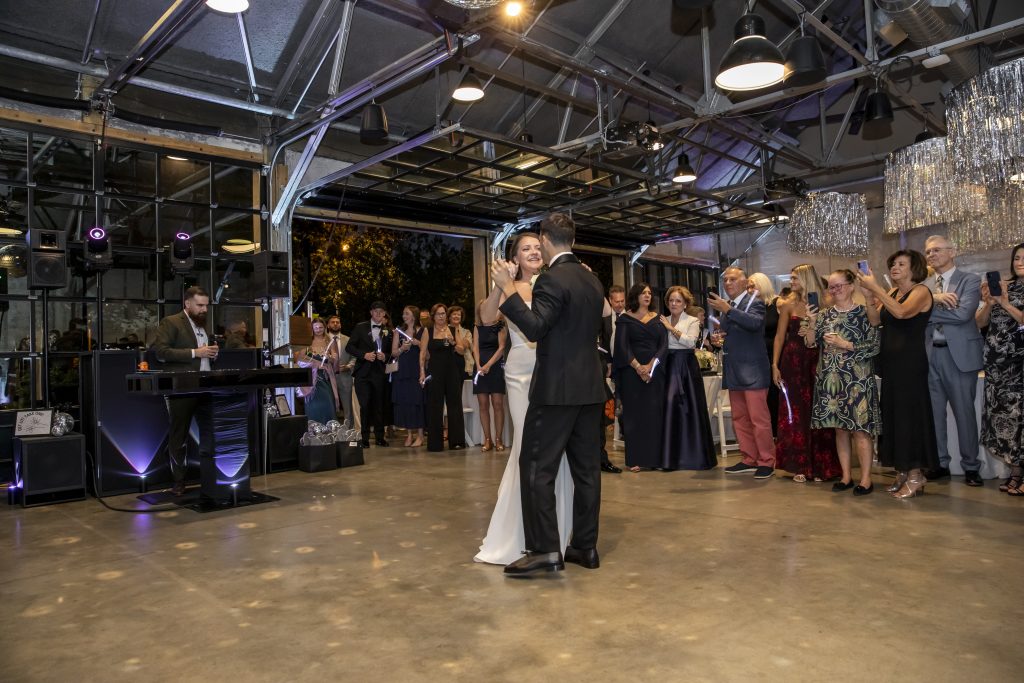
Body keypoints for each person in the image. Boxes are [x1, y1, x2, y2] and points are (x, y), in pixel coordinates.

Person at [490, 213, 606, 577]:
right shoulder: (591, 278)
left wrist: (508, 290)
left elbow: (536, 328)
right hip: (591, 388)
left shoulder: (551, 280)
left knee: (537, 467)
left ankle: (544, 551)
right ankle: (584, 547)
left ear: (544, 239)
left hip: (555, 389)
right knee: (587, 471)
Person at [475, 232, 573, 565]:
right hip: (519, 374)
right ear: (514, 257)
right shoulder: (509, 287)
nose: (532, 252)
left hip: (553, 371)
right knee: (526, 447)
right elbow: (487, 318)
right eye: (524, 249)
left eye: (536, 247)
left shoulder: (553, 284)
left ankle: (557, 524)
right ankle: (519, 530)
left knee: (556, 448)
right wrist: (500, 284)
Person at [859, 250, 938, 498]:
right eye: (893, 263)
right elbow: (874, 321)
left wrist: (877, 288)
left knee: (910, 418)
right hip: (891, 366)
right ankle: (902, 471)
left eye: (901, 264)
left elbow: (902, 312)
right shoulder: (892, 293)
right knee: (894, 418)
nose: (895, 267)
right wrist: (870, 297)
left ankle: (917, 474)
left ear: (914, 268)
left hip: (910, 364)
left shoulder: (921, 291)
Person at [803, 269, 880, 495]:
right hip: (831, 377)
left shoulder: (865, 313)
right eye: (831, 287)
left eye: (838, 286)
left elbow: (874, 345)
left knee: (860, 431)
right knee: (840, 429)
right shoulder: (825, 314)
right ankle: (846, 476)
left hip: (858, 378)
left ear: (851, 286)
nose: (834, 291)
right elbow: (809, 343)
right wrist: (813, 320)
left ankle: (866, 479)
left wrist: (845, 344)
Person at [923, 235, 985, 485]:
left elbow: (963, 314)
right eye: (928, 252)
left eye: (936, 250)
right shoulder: (925, 285)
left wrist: (927, 309)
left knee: (964, 413)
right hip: (930, 354)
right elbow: (915, 316)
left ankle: (971, 467)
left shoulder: (969, 280)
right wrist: (933, 302)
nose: (931, 255)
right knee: (934, 415)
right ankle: (940, 463)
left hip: (959, 355)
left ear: (952, 252)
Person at [771, 264, 840, 483]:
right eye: (790, 278)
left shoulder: (826, 301)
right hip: (792, 361)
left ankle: (822, 465)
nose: (791, 282)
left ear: (806, 278)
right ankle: (799, 464)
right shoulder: (788, 304)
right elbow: (779, 337)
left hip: (818, 359)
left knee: (820, 411)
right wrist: (774, 364)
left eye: (795, 278)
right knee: (796, 413)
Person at [152, 286, 219, 496]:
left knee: (211, 432)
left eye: (206, 305)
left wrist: (211, 355)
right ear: (187, 304)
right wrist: (195, 352)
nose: (204, 309)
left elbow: (202, 355)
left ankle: (211, 475)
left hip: (206, 385)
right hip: (183, 387)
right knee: (179, 434)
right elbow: (161, 353)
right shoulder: (171, 322)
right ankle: (178, 480)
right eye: (200, 305)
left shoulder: (202, 326)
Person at [710, 268, 776, 480]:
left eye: (732, 279)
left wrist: (727, 310)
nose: (728, 283)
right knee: (740, 418)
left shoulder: (754, 300)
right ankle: (749, 458)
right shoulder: (728, 307)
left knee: (759, 419)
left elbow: (754, 324)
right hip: (734, 369)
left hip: (753, 370)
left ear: (745, 281)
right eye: (725, 279)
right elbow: (732, 332)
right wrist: (719, 339)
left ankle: (767, 460)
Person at [976, 244, 1024, 495]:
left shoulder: (1009, 294)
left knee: (1022, 417)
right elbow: (980, 323)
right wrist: (988, 303)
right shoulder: (1006, 286)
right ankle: (1016, 472)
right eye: (1016, 257)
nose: (1019, 261)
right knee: (1005, 417)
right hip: (998, 363)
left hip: (1020, 363)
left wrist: (1004, 303)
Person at [659, 285, 715, 470]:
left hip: (686, 365)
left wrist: (670, 329)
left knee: (690, 407)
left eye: (678, 301)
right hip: (668, 364)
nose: (674, 303)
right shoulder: (663, 319)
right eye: (671, 300)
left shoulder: (692, 320)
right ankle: (670, 459)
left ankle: (694, 456)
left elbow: (691, 342)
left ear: (685, 304)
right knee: (669, 405)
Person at [612, 282, 667, 472]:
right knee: (634, 416)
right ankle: (635, 458)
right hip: (631, 372)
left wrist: (651, 366)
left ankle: (656, 458)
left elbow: (663, 345)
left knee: (655, 414)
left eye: (650, 293)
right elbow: (621, 347)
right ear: (635, 296)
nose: (647, 296)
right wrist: (638, 368)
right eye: (643, 293)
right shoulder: (625, 319)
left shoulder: (658, 318)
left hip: (655, 371)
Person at [418, 303, 467, 452]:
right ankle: (435, 444)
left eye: (444, 314)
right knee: (435, 406)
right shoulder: (428, 330)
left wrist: (454, 343)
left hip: (452, 371)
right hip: (434, 371)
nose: (442, 316)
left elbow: (461, 350)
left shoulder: (453, 330)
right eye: (439, 314)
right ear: (433, 316)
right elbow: (422, 353)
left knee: (455, 405)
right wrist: (422, 372)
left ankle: (457, 441)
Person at [346, 301, 391, 448]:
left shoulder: (388, 331)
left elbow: (391, 353)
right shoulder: (360, 327)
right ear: (371, 312)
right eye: (375, 311)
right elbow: (349, 347)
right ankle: (364, 438)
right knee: (364, 406)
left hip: (379, 373)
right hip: (363, 374)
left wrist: (385, 356)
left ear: (385, 314)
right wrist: (363, 355)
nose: (378, 314)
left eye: (381, 311)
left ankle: (380, 437)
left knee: (379, 405)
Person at [749, 272, 782, 438]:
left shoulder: (778, 303)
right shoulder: (750, 307)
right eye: (748, 286)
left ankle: (777, 434)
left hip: (775, 356)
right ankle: (765, 435)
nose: (750, 289)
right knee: (760, 398)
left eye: (753, 286)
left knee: (775, 397)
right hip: (756, 357)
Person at [472, 299, 507, 452]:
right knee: (483, 405)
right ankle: (488, 439)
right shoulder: (477, 327)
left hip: (495, 366)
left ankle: (499, 439)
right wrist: (479, 365)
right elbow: (475, 347)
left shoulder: (499, 325)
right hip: (480, 367)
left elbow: (501, 348)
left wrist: (488, 365)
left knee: (498, 404)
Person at [294, 318, 339, 425]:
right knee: (313, 406)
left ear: (325, 328)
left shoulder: (330, 341)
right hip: (311, 380)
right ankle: (313, 431)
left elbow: (335, 359)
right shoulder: (306, 342)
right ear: (312, 329)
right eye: (316, 327)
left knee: (328, 403)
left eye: (321, 327)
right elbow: (299, 360)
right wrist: (315, 365)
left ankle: (329, 431)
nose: (318, 330)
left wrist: (331, 359)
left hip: (325, 377)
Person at [391, 306, 425, 448]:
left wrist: (419, 343)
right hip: (403, 370)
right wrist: (401, 349)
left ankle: (420, 435)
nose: (404, 315)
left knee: (417, 401)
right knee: (405, 401)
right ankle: (409, 434)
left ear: (414, 316)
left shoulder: (422, 331)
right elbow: (393, 353)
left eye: (407, 313)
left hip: (416, 368)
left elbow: (427, 351)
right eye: (403, 313)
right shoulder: (399, 331)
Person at [327, 315, 355, 430]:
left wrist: (348, 366)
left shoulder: (348, 340)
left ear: (340, 325)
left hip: (345, 377)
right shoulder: (323, 340)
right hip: (328, 378)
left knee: (348, 407)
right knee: (330, 405)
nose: (335, 324)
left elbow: (354, 357)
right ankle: (331, 430)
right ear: (328, 325)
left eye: (337, 322)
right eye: (332, 322)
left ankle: (348, 431)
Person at [449, 305, 474, 381]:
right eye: (454, 314)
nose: (456, 316)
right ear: (449, 317)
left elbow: (464, 346)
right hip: (448, 364)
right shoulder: (443, 330)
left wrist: (453, 343)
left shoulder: (467, 332)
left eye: (459, 315)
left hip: (463, 364)